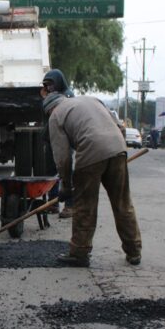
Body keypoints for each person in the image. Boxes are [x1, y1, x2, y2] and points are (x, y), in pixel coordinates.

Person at [43, 72, 142, 267]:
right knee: (123, 203)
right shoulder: (91, 100)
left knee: (85, 206)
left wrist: (66, 185)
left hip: (90, 152)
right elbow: (120, 128)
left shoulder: (55, 116)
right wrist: (116, 153)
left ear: (48, 108)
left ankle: (79, 252)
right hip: (117, 148)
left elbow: (62, 157)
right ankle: (134, 251)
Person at [39, 69, 75, 219]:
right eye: (46, 85)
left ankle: (70, 205)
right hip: (51, 139)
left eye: (51, 85)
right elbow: (46, 121)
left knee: (66, 172)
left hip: (65, 139)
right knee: (50, 171)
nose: (49, 88)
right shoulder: (47, 98)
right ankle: (53, 203)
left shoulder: (68, 97)